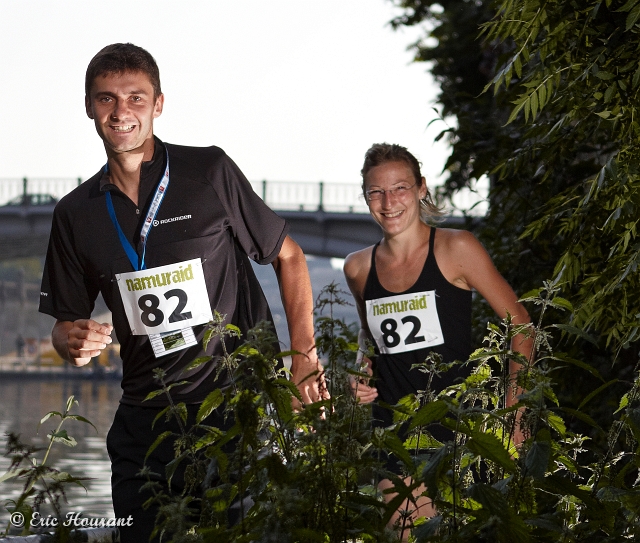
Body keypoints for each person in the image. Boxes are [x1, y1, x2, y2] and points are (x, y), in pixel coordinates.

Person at [39, 43, 326, 542]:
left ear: (159, 104)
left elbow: (289, 256)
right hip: (144, 423)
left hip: (234, 410)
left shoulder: (207, 172)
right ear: (89, 106)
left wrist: (303, 357)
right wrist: (72, 342)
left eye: (135, 97)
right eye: (106, 99)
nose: (121, 111)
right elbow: (65, 326)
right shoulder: (75, 213)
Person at [343, 143, 532, 538]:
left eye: (400, 188)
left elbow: (521, 326)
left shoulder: (456, 247)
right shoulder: (358, 267)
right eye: (376, 191)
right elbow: (371, 338)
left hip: (461, 428)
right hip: (393, 430)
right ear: (365, 197)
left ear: (421, 189)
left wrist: (515, 412)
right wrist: (360, 371)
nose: (388, 201)